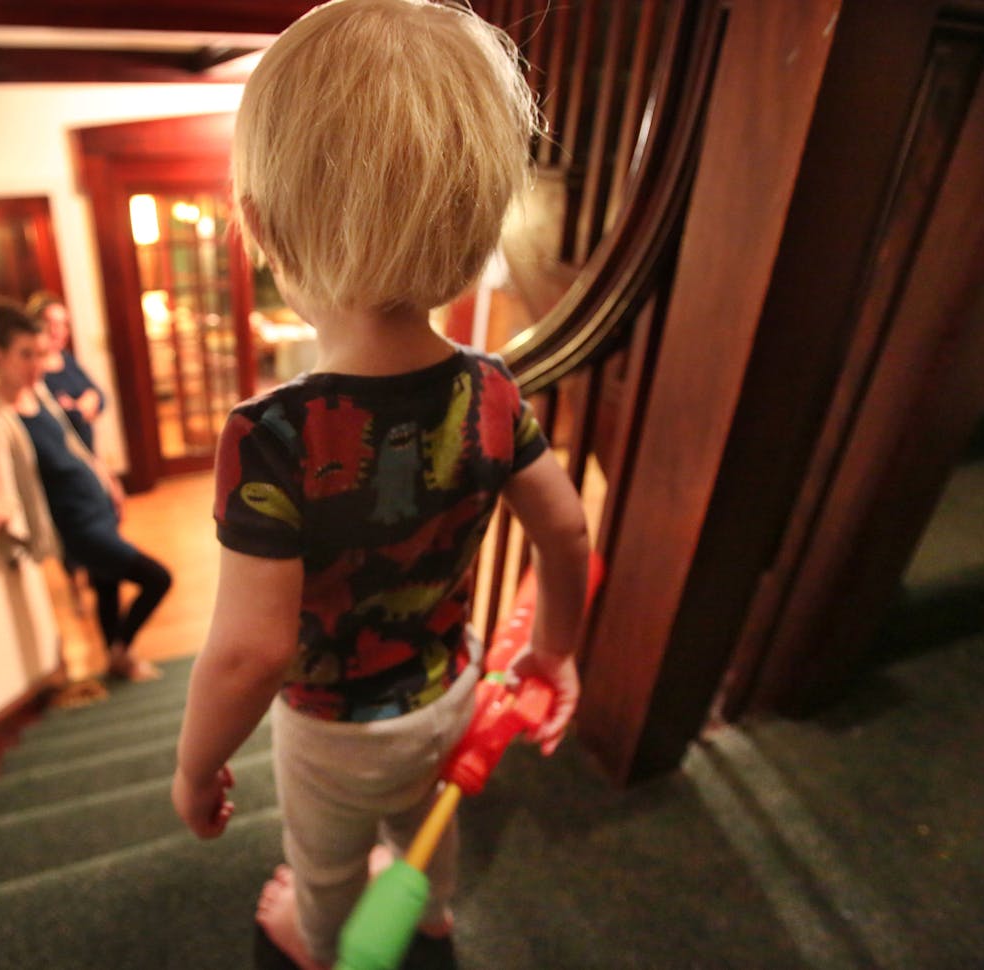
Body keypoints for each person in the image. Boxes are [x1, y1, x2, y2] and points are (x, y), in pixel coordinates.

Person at [168, 2, 591, 967]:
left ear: (263, 229)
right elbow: (567, 536)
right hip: (452, 694)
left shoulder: (270, 438)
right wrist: (552, 653)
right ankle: (431, 917)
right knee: (423, 828)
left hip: (330, 738)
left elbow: (250, 652)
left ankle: (314, 943)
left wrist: (197, 768)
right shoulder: (491, 392)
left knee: (321, 866)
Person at [0, 300, 171, 683]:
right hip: (78, 527)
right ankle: (120, 650)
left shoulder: (38, 393)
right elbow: (0, 485)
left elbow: (71, 444)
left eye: (39, 354)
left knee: (107, 584)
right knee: (158, 578)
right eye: (24, 355)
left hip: (97, 506)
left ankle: (118, 658)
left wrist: (106, 478)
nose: (36, 366)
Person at [27, 291, 106, 453]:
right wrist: (82, 407)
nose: (58, 331)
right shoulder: (34, 371)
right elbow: (56, 420)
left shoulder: (65, 358)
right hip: (66, 456)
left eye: (63, 324)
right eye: (51, 323)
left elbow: (100, 396)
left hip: (87, 453)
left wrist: (81, 404)